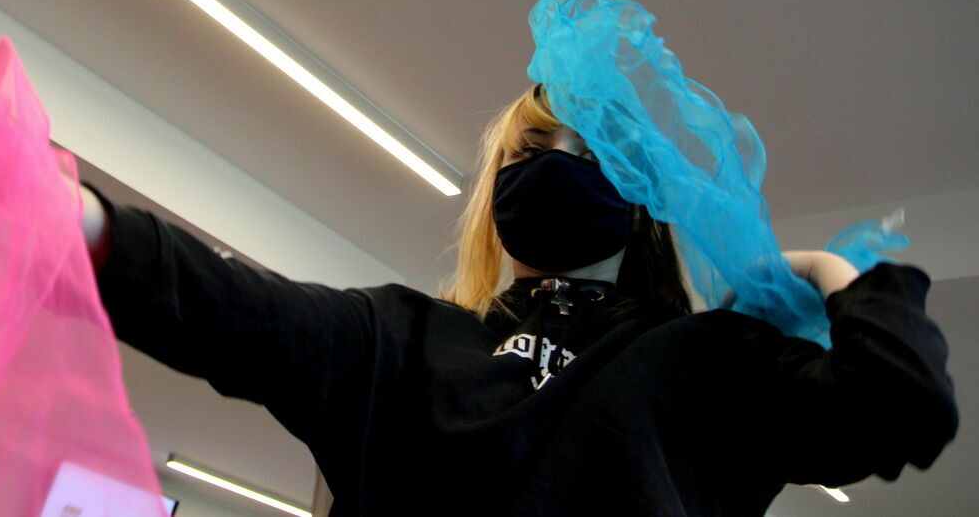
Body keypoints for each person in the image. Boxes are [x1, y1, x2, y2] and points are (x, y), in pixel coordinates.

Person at [75, 84, 958, 517]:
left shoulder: (707, 362)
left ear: (640, 196)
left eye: (589, 149)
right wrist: (78, 218)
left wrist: (822, 269)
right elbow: (236, 309)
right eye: (530, 151)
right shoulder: (400, 341)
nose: (557, 163)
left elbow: (900, 401)